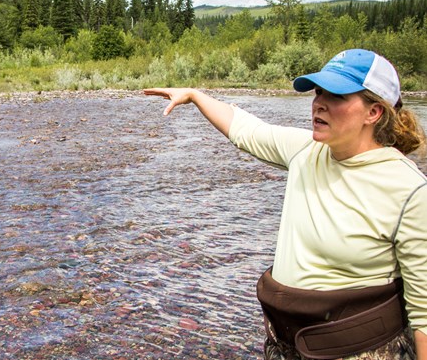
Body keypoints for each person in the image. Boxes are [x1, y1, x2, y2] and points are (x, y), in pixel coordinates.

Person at [144, 49, 427, 359]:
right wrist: (195, 96)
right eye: (319, 92)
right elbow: (246, 129)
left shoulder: (409, 191)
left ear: (374, 113)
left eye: (336, 96)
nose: (319, 103)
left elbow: (423, 314)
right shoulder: (306, 150)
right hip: (287, 346)